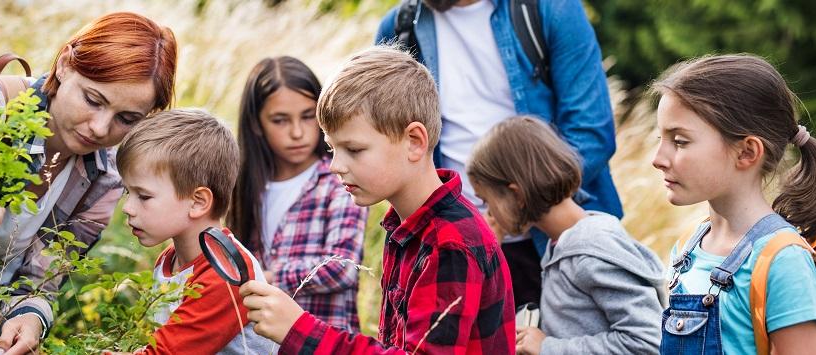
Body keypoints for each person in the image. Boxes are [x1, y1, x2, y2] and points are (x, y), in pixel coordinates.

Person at [0, 12, 177, 354]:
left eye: (126, 119)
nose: (101, 128)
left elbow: (42, 279)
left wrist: (30, 317)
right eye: (93, 100)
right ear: (65, 65)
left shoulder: (105, 177)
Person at [239, 45, 515, 354]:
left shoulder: (450, 244)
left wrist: (300, 330)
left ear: (414, 142)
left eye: (353, 149)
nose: (335, 165)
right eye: (332, 149)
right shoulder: (407, 227)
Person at [376, 0, 622, 309]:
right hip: (450, 248)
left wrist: (504, 215)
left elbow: (591, 132)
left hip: (556, 241)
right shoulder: (398, 29)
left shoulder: (550, 9)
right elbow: (390, 145)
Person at [652, 54, 816, 354]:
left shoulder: (782, 261)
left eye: (680, 141)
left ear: (747, 152)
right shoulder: (688, 248)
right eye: (661, 138)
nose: (657, 159)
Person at [467, 116, 664, 355]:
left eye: (487, 201)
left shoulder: (590, 253)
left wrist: (548, 347)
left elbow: (648, 341)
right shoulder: (561, 245)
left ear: (516, 196)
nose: (488, 213)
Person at [113, 109, 274, 354]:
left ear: (198, 201)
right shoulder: (169, 260)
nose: (128, 208)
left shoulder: (226, 274)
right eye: (128, 192)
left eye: (143, 196)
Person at [227, 56, 367, 331]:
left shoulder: (339, 179)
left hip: (325, 342)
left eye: (307, 116)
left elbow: (343, 268)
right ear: (256, 124)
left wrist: (268, 277)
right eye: (280, 120)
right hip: (261, 345)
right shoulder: (245, 187)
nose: (297, 132)